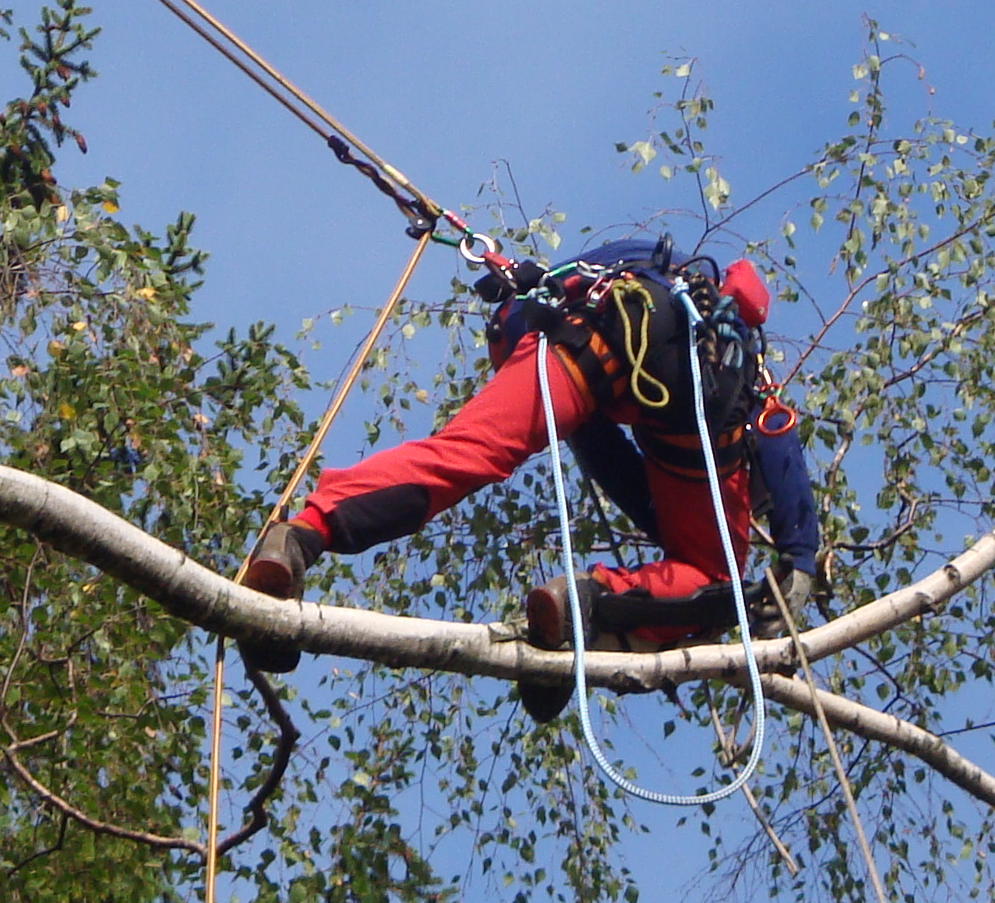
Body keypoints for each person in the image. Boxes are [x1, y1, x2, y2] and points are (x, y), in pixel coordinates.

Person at [238, 235, 822, 718]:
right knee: (712, 577)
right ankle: (583, 616)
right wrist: (798, 559)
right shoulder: (738, 382)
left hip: (592, 332)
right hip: (691, 390)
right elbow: (779, 440)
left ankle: (300, 535)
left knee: (465, 452)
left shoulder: (617, 279)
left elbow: (606, 452)